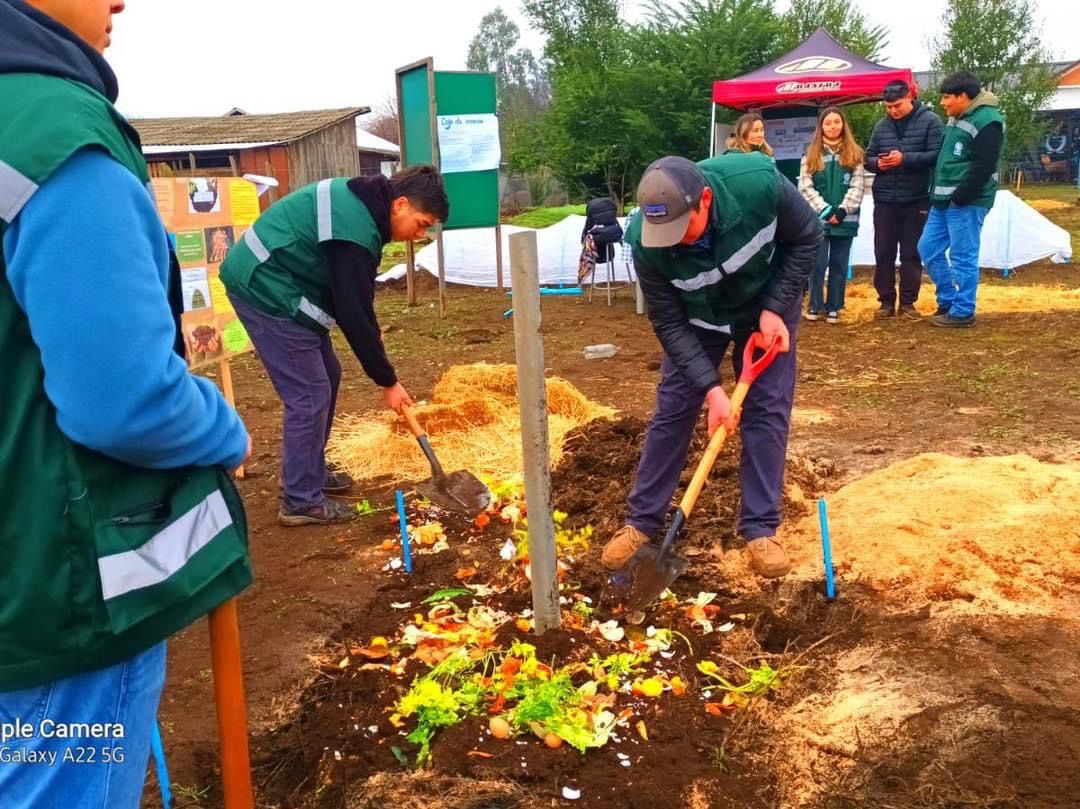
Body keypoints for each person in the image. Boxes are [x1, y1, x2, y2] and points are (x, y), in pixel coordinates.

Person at [0, 2, 253, 807]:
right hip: (52, 605)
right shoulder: (56, 135)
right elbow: (125, 399)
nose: (120, 3)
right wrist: (223, 424)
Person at [601, 153, 821, 579]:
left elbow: (808, 237)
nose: (676, 242)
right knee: (673, 409)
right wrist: (713, 389)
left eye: (682, 228)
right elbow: (666, 321)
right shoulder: (645, 242)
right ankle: (642, 522)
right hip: (699, 319)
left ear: (705, 200)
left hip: (765, 311)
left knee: (767, 409)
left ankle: (760, 528)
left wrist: (776, 306)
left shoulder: (758, 184)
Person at [220, 165, 450, 525]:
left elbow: (357, 298)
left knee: (328, 372)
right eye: (421, 223)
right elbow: (351, 310)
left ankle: (309, 469)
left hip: (281, 277)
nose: (419, 235)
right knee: (309, 392)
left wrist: (370, 333)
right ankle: (300, 499)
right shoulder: (356, 229)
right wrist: (387, 381)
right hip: (262, 283)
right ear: (400, 204)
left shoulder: (364, 208)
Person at [918, 71, 1005, 327]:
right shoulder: (957, 117)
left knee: (963, 255)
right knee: (928, 248)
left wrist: (961, 196)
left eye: (947, 97)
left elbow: (984, 164)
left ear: (963, 96)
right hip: (942, 200)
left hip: (967, 201)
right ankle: (948, 299)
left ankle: (963, 310)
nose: (943, 103)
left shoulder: (988, 120)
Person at [864, 80, 944, 319]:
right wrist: (877, 164)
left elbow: (936, 156)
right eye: (888, 107)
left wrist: (905, 159)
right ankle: (886, 302)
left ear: (910, 97)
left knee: (911, 252)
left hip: (916, 199)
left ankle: (908, 303)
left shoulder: (931, 122)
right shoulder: (881, 127)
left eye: (897, 105)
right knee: (883, 251)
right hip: (885, 199)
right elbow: (867, 156)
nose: (893, 111)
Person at [799, 106, 867, 324]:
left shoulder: (855, 154)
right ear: (821, 127)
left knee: (839, 264)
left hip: (845, 220)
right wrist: (826, 210)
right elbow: (805, 187)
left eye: (836, 122)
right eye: (828, 123)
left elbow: (858, 186)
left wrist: (842, 209)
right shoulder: (810, 154)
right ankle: (814, 305)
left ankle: (834, 307)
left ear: (843, 125)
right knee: (817, 264)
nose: (832, 126)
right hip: (818, 221)